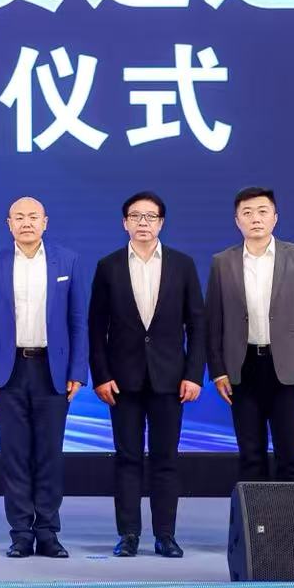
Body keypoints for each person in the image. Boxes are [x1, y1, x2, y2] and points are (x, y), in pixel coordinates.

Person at [87, 191, 206, 559]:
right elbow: (96, 327)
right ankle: (128, 534)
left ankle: (166, 535)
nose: (143, 223)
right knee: (127, 458)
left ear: (161, 223)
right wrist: (101, 375)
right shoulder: (108, 266)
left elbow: (197, 325)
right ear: (125, 223)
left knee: (165, 458)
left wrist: (194, 374)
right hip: (122, 380)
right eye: (136, 216)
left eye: (150, 217)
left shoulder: (182, 265)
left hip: (170, 379)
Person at [0, 196, 89, 559]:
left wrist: (77, 370)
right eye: (19, 217)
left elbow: (78, 320)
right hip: (7, 371)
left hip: (52, 371)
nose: (26, 223)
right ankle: (21, 533)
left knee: (49, 455)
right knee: (15, 455)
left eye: (33, 217)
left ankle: (48, 532)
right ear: (9, 224)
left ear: (45, 222)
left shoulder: (67, 261)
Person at [206, 186, 294, 484]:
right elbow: (214, 321)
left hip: (287, 367)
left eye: (262, 211)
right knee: (250, 454)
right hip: (242, 366)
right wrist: (218, 370)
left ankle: (288, 516)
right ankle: (254, 516)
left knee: (290, 454)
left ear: (275, 217)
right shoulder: (222, 262)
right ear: (237, 221)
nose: (255, 218)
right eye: (247, 213)